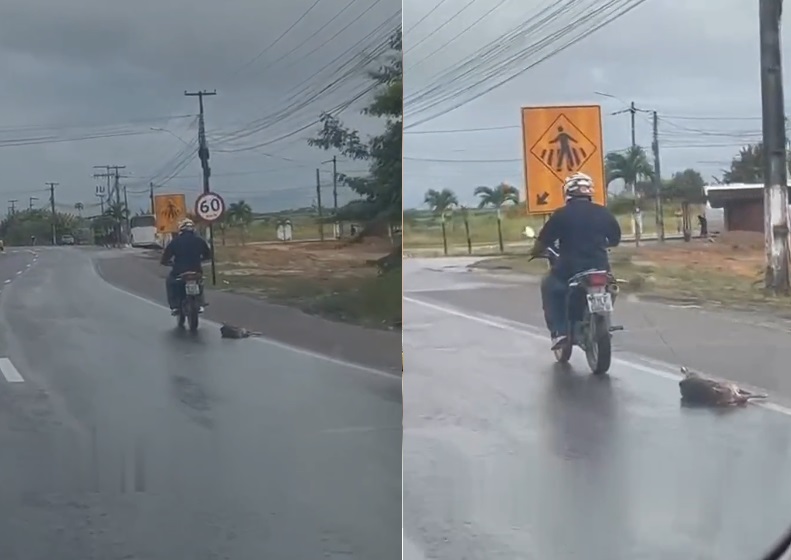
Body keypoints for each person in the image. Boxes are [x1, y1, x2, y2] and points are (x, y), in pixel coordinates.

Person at [529, 172, 622, 349]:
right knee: (611, 286)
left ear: (567, 192)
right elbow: (616, 238)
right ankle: (603, 320)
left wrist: (535, 252)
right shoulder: (603, 212)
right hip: (600, 267)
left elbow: (543, 241)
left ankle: (560, 332)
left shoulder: (561, 215)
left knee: (550, 286)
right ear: (589, 192)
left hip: (571, 268)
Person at [160, 218, 212, 315]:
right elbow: (208, 255)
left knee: (170, 282)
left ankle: (175, 305)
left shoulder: (175, 242)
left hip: (179, 271)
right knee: (200, 283)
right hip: (196, 270)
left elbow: (165, 258)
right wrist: (200, 260)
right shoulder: (200, 241)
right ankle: (200, 303)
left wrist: (166, 262)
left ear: (181, 229)